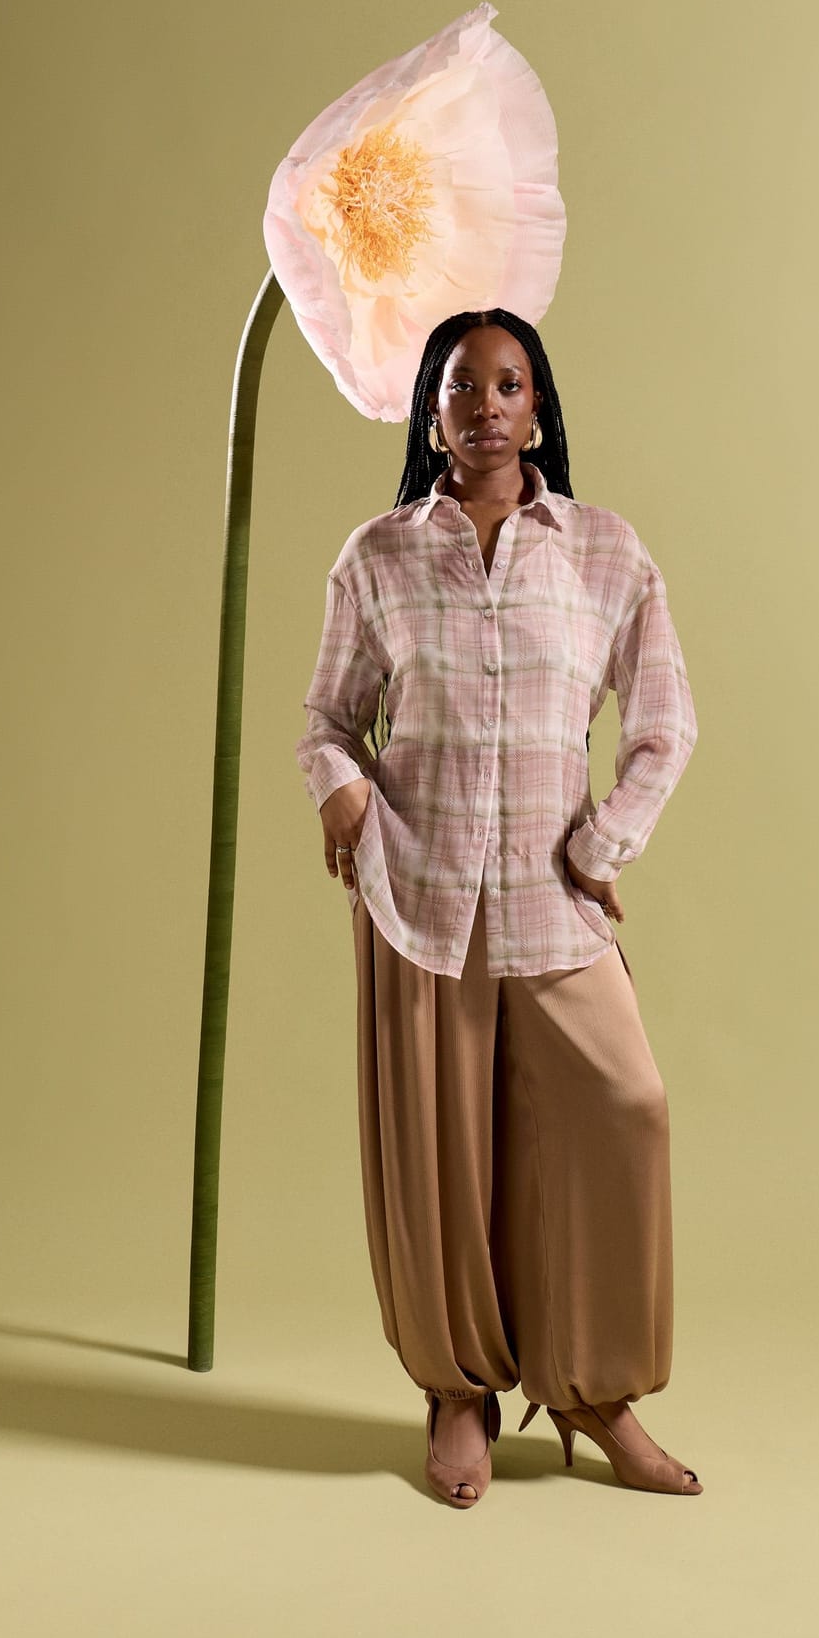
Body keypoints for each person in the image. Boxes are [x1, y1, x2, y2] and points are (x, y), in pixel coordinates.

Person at [297, 307, 703, 1507]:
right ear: (431, 411)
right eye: (462, 385)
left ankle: (594, 1394)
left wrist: (603, 841)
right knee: (443, 1167)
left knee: (625, 1108)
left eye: (509, 384)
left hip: (548, 897)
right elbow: (326, 722)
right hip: (416, 891)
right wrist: (341, 792)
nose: (486, 405)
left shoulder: (605, 552)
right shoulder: (377, 556)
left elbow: (666, 723)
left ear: (538, 409)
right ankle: (457, 1393)